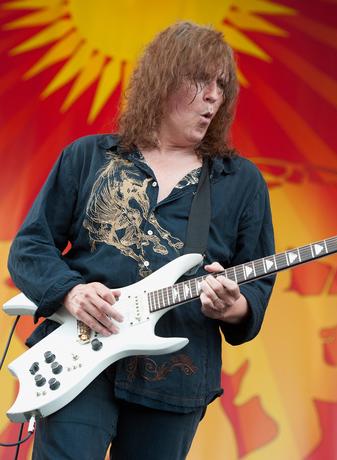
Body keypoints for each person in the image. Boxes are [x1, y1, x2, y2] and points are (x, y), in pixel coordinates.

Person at [8, 21, 275, 459]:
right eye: (201, 80)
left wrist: (235, 306)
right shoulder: (88, 156)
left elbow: (257, 281)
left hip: (174, 379)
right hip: (77, 358)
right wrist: (71, 292)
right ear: (162, 81)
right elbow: (30, 247)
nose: (213, 96)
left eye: (222, 85)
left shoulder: (240, 182)